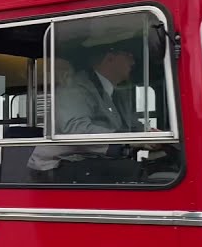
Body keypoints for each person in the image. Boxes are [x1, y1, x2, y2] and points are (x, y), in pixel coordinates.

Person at [27, 43, 145, 178]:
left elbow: (131, 124)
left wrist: (151, 136)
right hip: (58, 165)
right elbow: (75, 129)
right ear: (110, 58)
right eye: (129, 55)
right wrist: (127, 141)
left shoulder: (118, 94)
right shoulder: (74, 88)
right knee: (135, 174)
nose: (133, 61)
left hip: (94, 161)